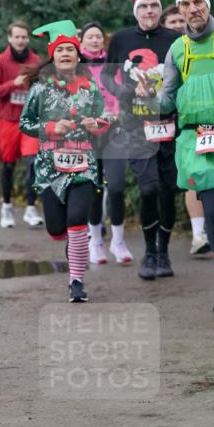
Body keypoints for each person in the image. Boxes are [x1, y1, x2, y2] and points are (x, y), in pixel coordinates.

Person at [138, 0, 214, 312]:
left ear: (207, 4)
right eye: (185, 5)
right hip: (197, 140)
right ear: (179, 10)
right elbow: (167, 101)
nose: (193, 9)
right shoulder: (177, 50)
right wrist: (150, 98)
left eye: (198, 3)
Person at [20, 20, 109, 302]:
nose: (66, 54)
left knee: (77, 220)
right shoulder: (40, 89)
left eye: (71, 49)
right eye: (61, 50)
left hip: (83, 164)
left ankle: (76, 281)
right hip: (49, 168)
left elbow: (103, 119)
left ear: (78, 54)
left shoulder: (90, 87)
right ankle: (72, 244)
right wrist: (49, 128)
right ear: (53, 56)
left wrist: (96, 124)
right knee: (57, 230)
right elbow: (25, 123)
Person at [101, 0, 180, 280]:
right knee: (148, 189)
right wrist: (125, 91)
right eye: (144, 6)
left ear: (160, 11)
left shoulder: (175, 40)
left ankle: (164, 252)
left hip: (169, 123)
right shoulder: (122, 39)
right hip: (136, 126)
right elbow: (108, 75)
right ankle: (149, 252)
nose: (149, 11)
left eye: (154, 6)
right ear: (136, 11)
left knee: (169, 191)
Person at [79, 21, 132, 265]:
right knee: (94, 188)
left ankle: (118, 241)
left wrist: (120, 112)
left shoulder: (114, 66)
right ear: (81, 41)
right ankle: (96, 242)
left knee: (118, 187)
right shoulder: (76, 67)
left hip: (114, 132)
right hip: (87, 135)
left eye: (98, 36)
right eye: (90, 36)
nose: (94, 40)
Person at [160, 5, 211, 256]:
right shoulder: (171, 49)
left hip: (210, 120)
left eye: (182, 20)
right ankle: (198, 233)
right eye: (174, 21)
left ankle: (209, 230)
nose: (180, 24)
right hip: (176, 123)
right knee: (192, 179)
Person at [0, 20, 43, 229]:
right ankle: (7, 207)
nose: (20, 40)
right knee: (8, 165)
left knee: (32, 163)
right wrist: (14, 84)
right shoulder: (1, 61)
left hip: (29, 121)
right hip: (8, 120)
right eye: (16, 36)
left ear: (28, 39)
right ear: (10, 38)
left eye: (23, 37)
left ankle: (30, 208)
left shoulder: (35, 60)